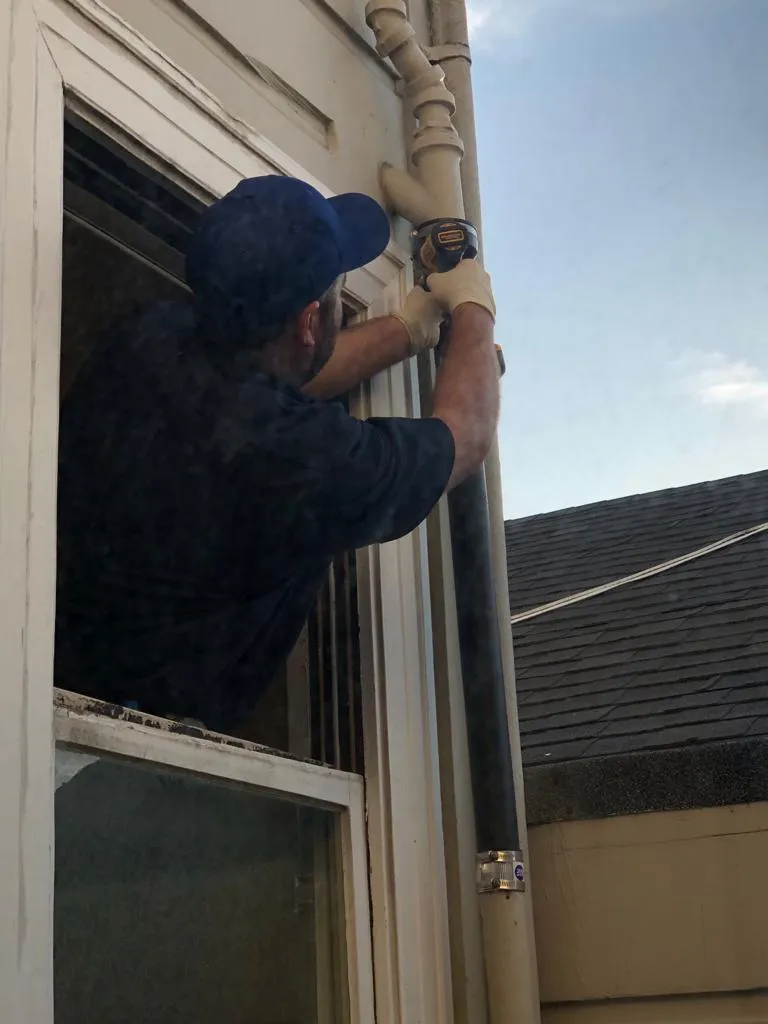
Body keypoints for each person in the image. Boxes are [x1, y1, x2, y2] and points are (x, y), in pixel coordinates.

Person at [56, 175, 499, 733]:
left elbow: (271, 389)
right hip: (127, 746)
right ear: (309, 321)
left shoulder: (150, 338)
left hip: (58, 660)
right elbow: (467, 434)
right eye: (338, 292)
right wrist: (473, 305)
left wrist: (409, 328)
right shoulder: (308, 465)